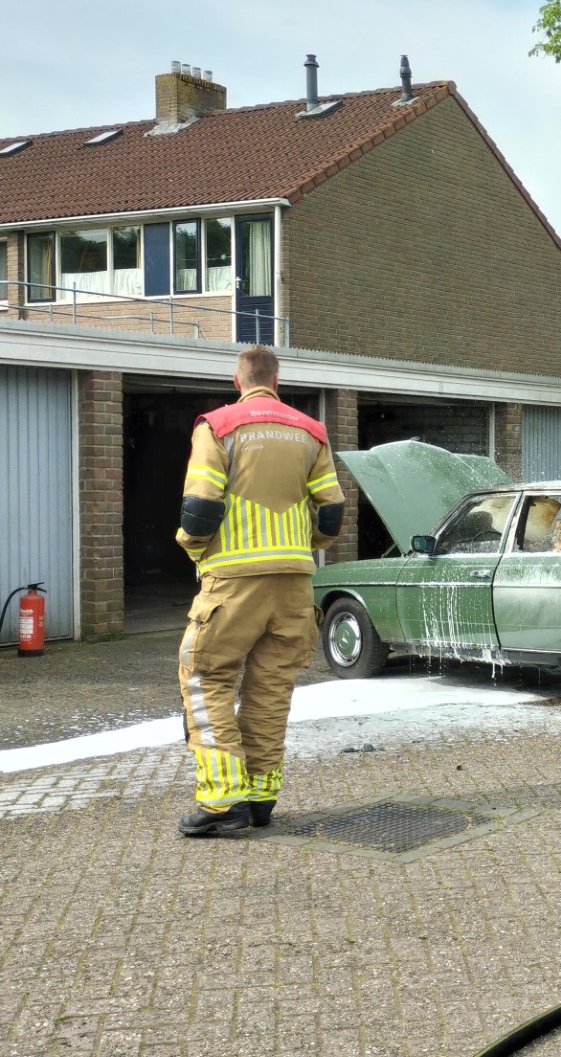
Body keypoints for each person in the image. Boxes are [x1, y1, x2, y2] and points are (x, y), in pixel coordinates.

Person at [173, 346, 344, 836]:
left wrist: (191, 547)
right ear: (277, 378)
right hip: (294, 583)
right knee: (270, 690)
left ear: (237, 380)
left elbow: (201, 508)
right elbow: (331, 512)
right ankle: (261, 796)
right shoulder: (311, 430)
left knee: (205, 677)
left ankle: (224, 803)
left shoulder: (218, 425)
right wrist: (303, 546)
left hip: (232, 582)